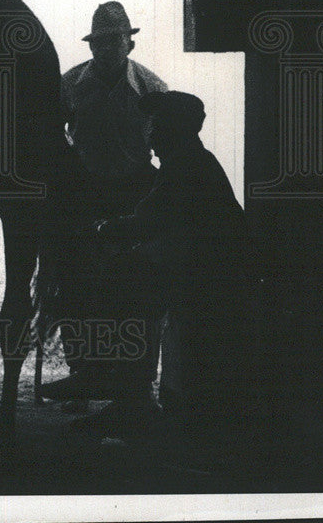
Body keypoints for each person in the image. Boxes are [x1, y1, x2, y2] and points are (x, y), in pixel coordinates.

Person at [72, 91, 261, 462]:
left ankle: (131, 401)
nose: (151, 137)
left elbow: (147, 222)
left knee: (124, 294)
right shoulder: (193, 161)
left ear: (176, 131)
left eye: (157, 128)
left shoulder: (185, 166)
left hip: (208, 283)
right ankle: (131, 398)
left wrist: (98, 231)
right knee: (132, 288)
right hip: (210, 276)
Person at [41, 1, 167, 405]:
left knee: (136, 288)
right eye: (99, 42)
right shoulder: (70, 85)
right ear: (91, 45)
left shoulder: (151, 88)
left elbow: (168, 143)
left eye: (115, 41)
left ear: (129, 44)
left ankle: (134, 383)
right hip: (84, 193)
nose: (107, 49)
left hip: (135, 195)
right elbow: (48, 136)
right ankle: (83, 373)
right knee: (77, 284)